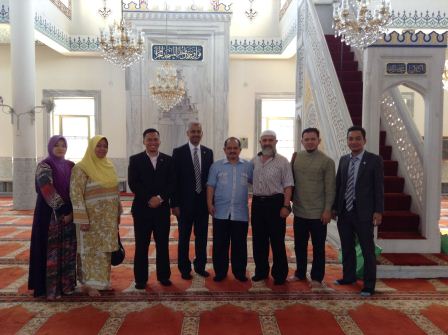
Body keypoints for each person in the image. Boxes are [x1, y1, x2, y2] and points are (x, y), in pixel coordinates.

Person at [332, 126, 384, 297]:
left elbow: (379, 187)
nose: (354, 142)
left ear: (364, 140)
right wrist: (334, 207)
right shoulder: (344, 160)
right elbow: (338, 185)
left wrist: (378, 210)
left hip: (364, 213)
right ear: (347, 141)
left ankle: (369, 285)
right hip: (345, 211)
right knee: (346, 247)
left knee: (367, 249)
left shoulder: (374, 160)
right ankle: (349, 277)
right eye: (351, 139)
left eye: (357, 138)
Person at [70, 135, 121, 297]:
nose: (102, 149)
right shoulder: (81, 168)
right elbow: (75, 194)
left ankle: (103, 283)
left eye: (105, 146)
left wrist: (118, 213)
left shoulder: (109, 166)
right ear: (91, 147)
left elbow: (116, 192)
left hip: (107, 220)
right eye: (98, 146)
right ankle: (87, 285)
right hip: (90, 220)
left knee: (105, 251)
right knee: (89, 252)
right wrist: (82, 218)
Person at [28, 135, 76, 299]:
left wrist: (72, 212)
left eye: (63, 145)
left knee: (67, 249)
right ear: (50, 147)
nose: (60, 148)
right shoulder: (44, 165)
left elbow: (75, 189)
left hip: (69, 213)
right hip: (49, 216)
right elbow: (47, 190)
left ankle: (66, 285)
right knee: (51, 251)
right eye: (57, 145)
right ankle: (51, 289)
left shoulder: (70, 165)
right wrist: (65, 211)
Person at [128, 128, 175, 289]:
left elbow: (172, 183)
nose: (153, 142)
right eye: (149, 140)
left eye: (155, 139)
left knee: (162, 244)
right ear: (144, 141)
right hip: (142, 209)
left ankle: (163, 276)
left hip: (162, 210)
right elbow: (134, 184)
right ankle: (140, 279)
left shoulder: (168, 160)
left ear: (159, 141)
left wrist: (160, 198)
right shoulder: (135, 160)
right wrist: (149, 198)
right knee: (142, 245)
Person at [290, 128, 335, 288]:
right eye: (306, 139)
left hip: (318, 213)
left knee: (318, 247)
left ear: (318, 141)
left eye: (313, 139)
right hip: (300, 211)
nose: (309, 142)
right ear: (302, 141)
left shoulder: (327, 161)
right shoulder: (296, 157)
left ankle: (317, 277)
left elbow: (330, 188)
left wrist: (327, 209)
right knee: (299, 245)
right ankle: (300, 273)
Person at [207, 137, 253, 282]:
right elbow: (210, 186)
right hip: (220, 212)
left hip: (240, 213)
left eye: (235, 148)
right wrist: (209, 203)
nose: (232, 151)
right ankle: (220, 272)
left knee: (240, 244)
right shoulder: (216, 166)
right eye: (229, 148)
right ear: (225, 149)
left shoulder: (248, 166)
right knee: (220, 244)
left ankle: (239, 272)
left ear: (240, 149)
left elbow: (257, 182)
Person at [251, 130, 294, 285]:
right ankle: (261, 272)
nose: (267, 142)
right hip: (257, 204)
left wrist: (285, 205)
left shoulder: (283, 161)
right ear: (260, 142)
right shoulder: (253, 161)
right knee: (259, 240)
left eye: (270, 140)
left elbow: (288, 185)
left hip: (276, 203)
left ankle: (280, 274)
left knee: (277, 241)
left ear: (275, 142)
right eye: (264, 140)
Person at [172, 121, 214, 279]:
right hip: (184, 205)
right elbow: (174, 180)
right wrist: (174, 204)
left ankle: (200, 266)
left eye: (198, 131)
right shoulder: (178, 152)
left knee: (202, 238)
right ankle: (184, 269)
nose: (196, 134)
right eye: (193, 131)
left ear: (202, 133)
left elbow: (210, 180)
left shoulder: (208, 153)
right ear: (187, 133)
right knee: (183, 238)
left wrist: (211, 203)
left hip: (203, 205)